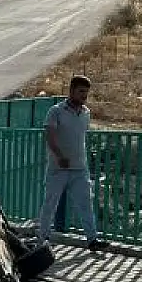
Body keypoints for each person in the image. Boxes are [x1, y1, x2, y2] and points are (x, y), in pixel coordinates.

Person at [36, 75, 110, 252]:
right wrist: (59, 156)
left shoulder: (86, 113)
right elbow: (50, 137)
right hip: (58, 168)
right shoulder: (56, 111)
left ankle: (92, 240)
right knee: (50, 204)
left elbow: (80, 138)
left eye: (86, 92)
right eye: (81, 91)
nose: (84, 95)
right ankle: (42, 239)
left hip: (79, 168)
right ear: (71, 91)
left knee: (85, 204)